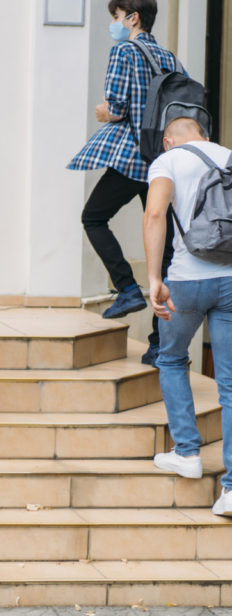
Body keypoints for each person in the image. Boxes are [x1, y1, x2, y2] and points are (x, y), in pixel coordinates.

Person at [68, 0, 179, 366]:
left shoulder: (124, 50)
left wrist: (103, 112)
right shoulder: (168, 56)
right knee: (164, 248)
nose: (113, 25)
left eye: (116, 17)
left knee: (93, 216)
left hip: (133, 155)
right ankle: (158, 344)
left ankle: (127, 287)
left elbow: (116, 107)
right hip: (163, 159)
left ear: (132, 17)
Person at [144, 116, 232, 516]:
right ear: (205, 136)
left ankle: (187, 453)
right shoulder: (227, 156)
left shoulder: (168, 161)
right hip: (230, 281)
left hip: (185, 280)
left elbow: (155, 214)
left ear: (167, 141)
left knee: (172, 358)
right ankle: (231, 489)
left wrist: (152, 278)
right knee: (229, 385)